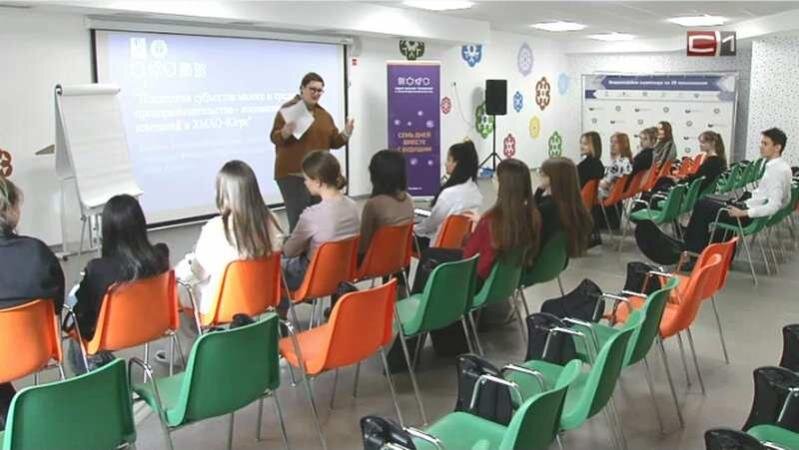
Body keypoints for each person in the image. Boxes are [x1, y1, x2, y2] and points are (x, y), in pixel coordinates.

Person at [69, 194, 170, 372]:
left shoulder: (98, 269)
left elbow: (83, 315)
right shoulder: (160, 256)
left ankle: (98, 371)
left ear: (107, 231)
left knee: (74, 314)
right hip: (155, 326)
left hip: (112, 334)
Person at [175, 160, 283, 317]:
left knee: (180, 284)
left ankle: (198, 334)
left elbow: (199, 273)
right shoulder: (273, 220)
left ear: (224, 194)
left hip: (221, 305)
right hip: (263, 296)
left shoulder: (215, 228)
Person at [0, 177, 64, 430]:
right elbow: (57, 304)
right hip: (38, 351)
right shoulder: (38, 251)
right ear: (11, 210)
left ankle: (12, 423)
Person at [684, 128, 792, 255]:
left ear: (777, 147)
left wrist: (744, 212)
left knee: (702, 206)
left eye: (765, 143)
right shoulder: (783, 167)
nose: (761, 146)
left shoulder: (776, 171)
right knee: (707, 204)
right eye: (761, 143)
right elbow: (787, 199)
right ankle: (701, 249)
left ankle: (693, 252)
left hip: (746, 217)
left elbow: (774, 205)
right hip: (748, 209)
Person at [271, 72, 355, 232]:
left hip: (318, 176)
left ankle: (316, 248)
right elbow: (274, 138)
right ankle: (297, 248)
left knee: (319, 219)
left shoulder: (324, 115)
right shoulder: (289, 109)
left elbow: (335, 142)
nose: (316, 93)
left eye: (319, 90)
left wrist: (346, 133)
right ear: (302, 89)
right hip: (293, 175)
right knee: (300, 222)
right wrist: (285, 132)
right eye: (312, 89)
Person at [281, 151, 360, 309]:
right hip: (342, 274)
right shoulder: (353, 206)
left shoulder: (312, 215)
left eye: (306, 179)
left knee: (276, 266)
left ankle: (281, 318)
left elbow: (289, 251)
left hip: (311, 277)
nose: (305, 183)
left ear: (318, 182)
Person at [463, 159, 541, 281]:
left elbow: (468, 258)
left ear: (503, 185)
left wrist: (472, 234)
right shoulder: (531, 216)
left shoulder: (490, 221)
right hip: (508, 280)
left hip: (478, 281)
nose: (492, 181)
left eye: (495, 178)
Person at [415, 141, 482, 250]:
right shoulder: (475, 191)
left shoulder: (449, 194)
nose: (445, 163)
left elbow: (432, 223)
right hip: (458, 245)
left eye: (449, 160)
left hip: (438, 247)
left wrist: (415, 229)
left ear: (457, 164)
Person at [535, 157, 594, 257]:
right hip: (553, 260)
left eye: (542, 173)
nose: (540, 175)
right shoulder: (573, 205)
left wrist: (539, 191)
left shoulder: (546, 208)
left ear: (552, 178)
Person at [359, 149, 414, 257]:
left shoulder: (373, 204)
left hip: (375, 261)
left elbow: (363, 246)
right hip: (400, 260)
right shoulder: (408, 199)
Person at [650, 130, 727, 195]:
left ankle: (649, 200)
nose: (700, 145)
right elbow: (699, 177)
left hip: (690, 190)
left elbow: (698, 180)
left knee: (663, 180)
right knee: (664, 180)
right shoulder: (718, 160)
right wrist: (685, 177)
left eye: (703, 142)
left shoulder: (712, 162)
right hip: (693, 188)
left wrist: (679, 180)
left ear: (712, 143)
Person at [598, 132, 633, 199]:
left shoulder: (618, 164)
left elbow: (605, 184)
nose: (612, 145)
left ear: (624, 145)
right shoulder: (626, 161)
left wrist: (593, 183)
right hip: (615, 196)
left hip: (606, 195)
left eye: (616, 142)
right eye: (611, 142)